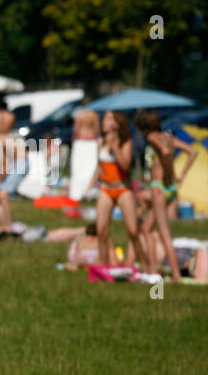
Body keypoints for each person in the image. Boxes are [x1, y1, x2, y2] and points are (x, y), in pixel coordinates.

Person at [82, 110, 153, 271]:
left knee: (133, 231)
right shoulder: (101, 141)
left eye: (107, 119)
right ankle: (103, 266)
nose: (104, 122)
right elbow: (99, 167)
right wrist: (89, 186)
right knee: (101, 230)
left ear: (116, 122)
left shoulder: (125, 142)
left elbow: (125, 165)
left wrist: (115, 147)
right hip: (105, 189)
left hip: (123, 189)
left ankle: (143, 265)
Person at [135, 109, 197, 282]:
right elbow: (192, 152)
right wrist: (181, 174)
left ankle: (175, 275)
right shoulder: (168, 137)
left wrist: (169, 173)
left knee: (164, 233)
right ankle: (153, 270)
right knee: (146, 228)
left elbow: (165, 152)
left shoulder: (152, 137)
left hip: (160, 187)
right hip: (169, 189)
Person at [0, 108, 27, 232]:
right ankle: (4, 226)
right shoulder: (3, 135)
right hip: (17, 163)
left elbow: (4, 168)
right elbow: (1, 167)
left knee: (2, 195)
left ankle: (8, 227)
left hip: (21, 164)